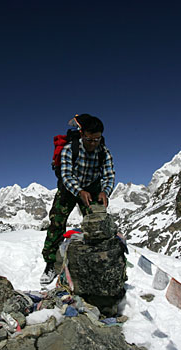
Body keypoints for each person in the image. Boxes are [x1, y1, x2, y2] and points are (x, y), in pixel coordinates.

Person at [40, 114, 115, 286]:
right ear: (82, 134)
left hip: (93, 188)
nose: (93, 143)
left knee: (97, 221)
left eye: (97, 139)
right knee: (56, 223)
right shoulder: (69, 149)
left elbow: (109, 175)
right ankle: (51, 263)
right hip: (69, 189)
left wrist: (105, 191)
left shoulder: (104, 152)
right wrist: (79, 191)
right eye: (90, 139)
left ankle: (99, 258)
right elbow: (66, 175)